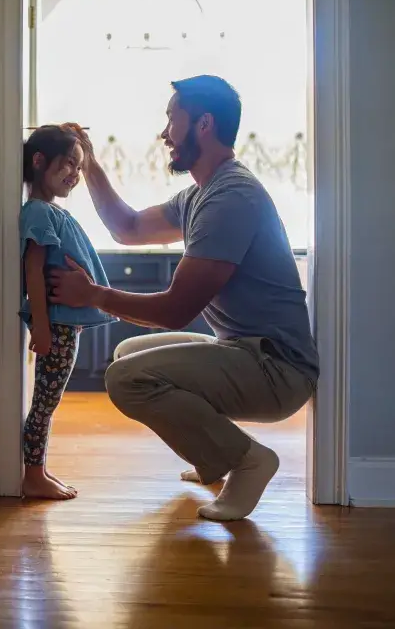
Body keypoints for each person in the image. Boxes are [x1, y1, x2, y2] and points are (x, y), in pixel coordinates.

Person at [50, 76, 319, 521]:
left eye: (173, 117)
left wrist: (94, 294)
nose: (165, 133)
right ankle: (212, 455)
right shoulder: (200, 195)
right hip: (246, 352)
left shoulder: (230, 198)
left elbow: (176, 311)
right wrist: (91, 165)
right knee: (128, 352)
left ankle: (249, 461)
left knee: (126, 378)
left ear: (204, 124)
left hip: (278, 371)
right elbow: (129, 228)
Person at [19, 124, 117, 500]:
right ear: (40, 161)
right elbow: (33, 268)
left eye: (79, 167)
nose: (75, 174)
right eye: (69, 164)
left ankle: (38, 469)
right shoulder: (40, 213)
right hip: (56, 325)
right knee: (45, 402)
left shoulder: (50, 212)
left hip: (63, 324)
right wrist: (41, 326)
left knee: (48, 400)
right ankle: (33, 475)